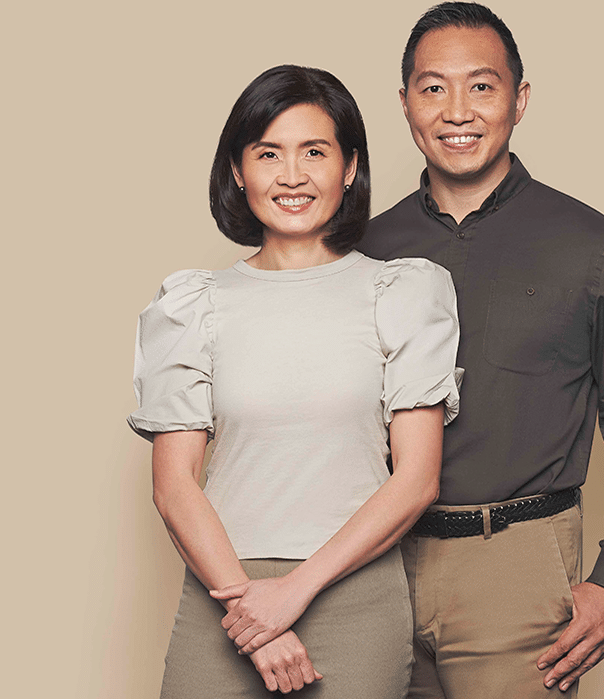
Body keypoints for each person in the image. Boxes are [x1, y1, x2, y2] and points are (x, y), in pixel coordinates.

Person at [356, 3, 604, 697]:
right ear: (404, 103)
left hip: (516, 565)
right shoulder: (361, 251)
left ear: (519, 99)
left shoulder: (596, 248)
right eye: (433, 87)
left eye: (481, 85)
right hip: (371, 569)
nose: (457, 111)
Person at [127, 64, 462, 698]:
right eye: (268, 153)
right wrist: (250, 611)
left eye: (315, 151)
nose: (292, 176)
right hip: (224, 596)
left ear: (350, 167)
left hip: (352, 595)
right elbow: (174, 487)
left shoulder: (401, 292)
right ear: (238, 170)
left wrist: (291, 596)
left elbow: (416, 481)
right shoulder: (192, 304)